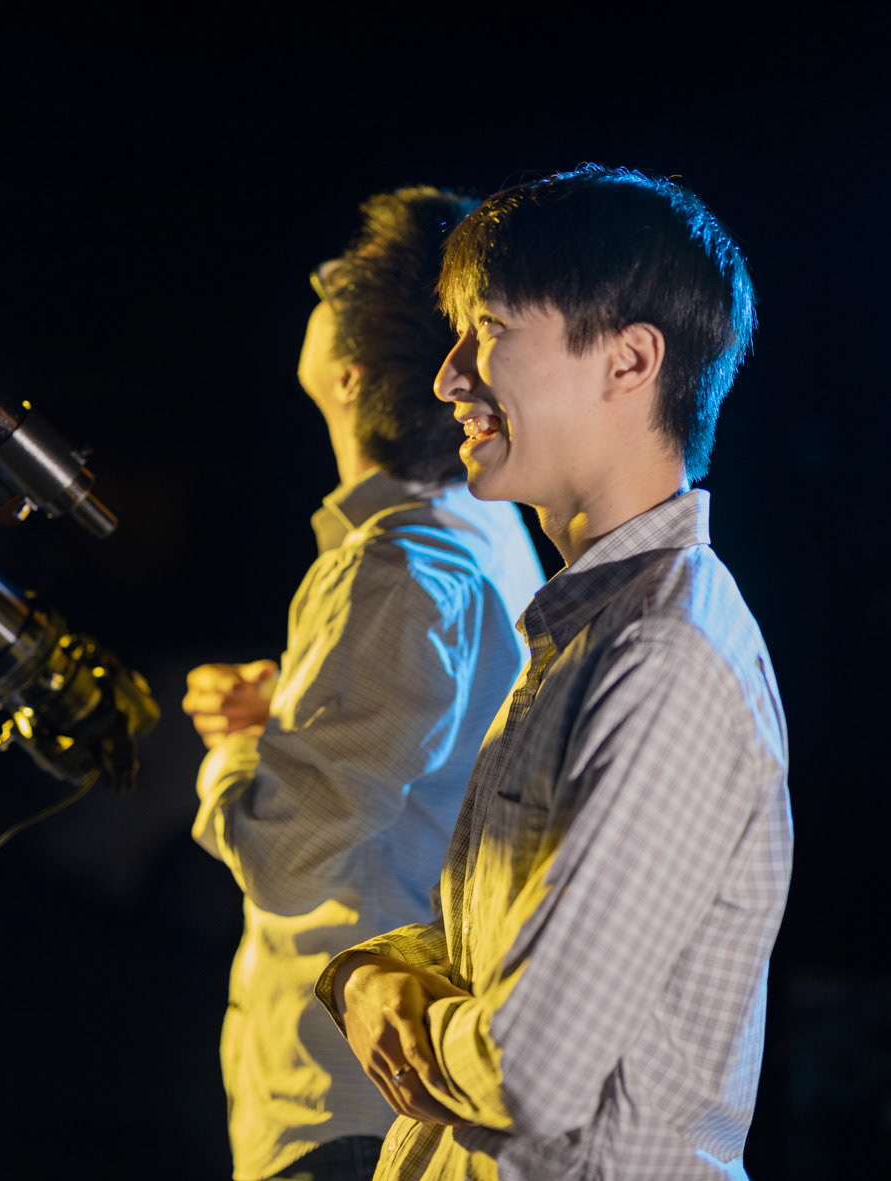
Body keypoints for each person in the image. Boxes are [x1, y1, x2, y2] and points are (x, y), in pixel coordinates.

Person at [318, 166, 793, 1180]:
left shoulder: (660, 659)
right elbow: (493, 972)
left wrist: (372, 992)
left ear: (628, 361)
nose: (448, 376)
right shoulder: (592, 631)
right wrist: (375, 968)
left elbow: (528, 1067)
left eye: (486, 329)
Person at [183, 187, 543, 1181]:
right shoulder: (482, 531)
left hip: (342, 1114)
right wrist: (281, 719)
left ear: (348, 376)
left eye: (342, 285)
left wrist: (230, 752)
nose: (320, 279)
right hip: (378, 1100)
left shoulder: (394, 566)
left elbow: (287, 860)